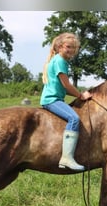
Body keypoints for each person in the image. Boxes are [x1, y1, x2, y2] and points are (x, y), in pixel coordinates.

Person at [40, 32, 92, 171]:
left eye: (74, 48)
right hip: (52, 100)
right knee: (74, 118)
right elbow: (66, 85)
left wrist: (77, 95)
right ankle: (67, 157)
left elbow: (65, 89)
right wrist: (81, 95)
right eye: (68, 47)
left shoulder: (59, 60)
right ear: (60, 46)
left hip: (55, 98)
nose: (71, 50)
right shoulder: (60, 61)